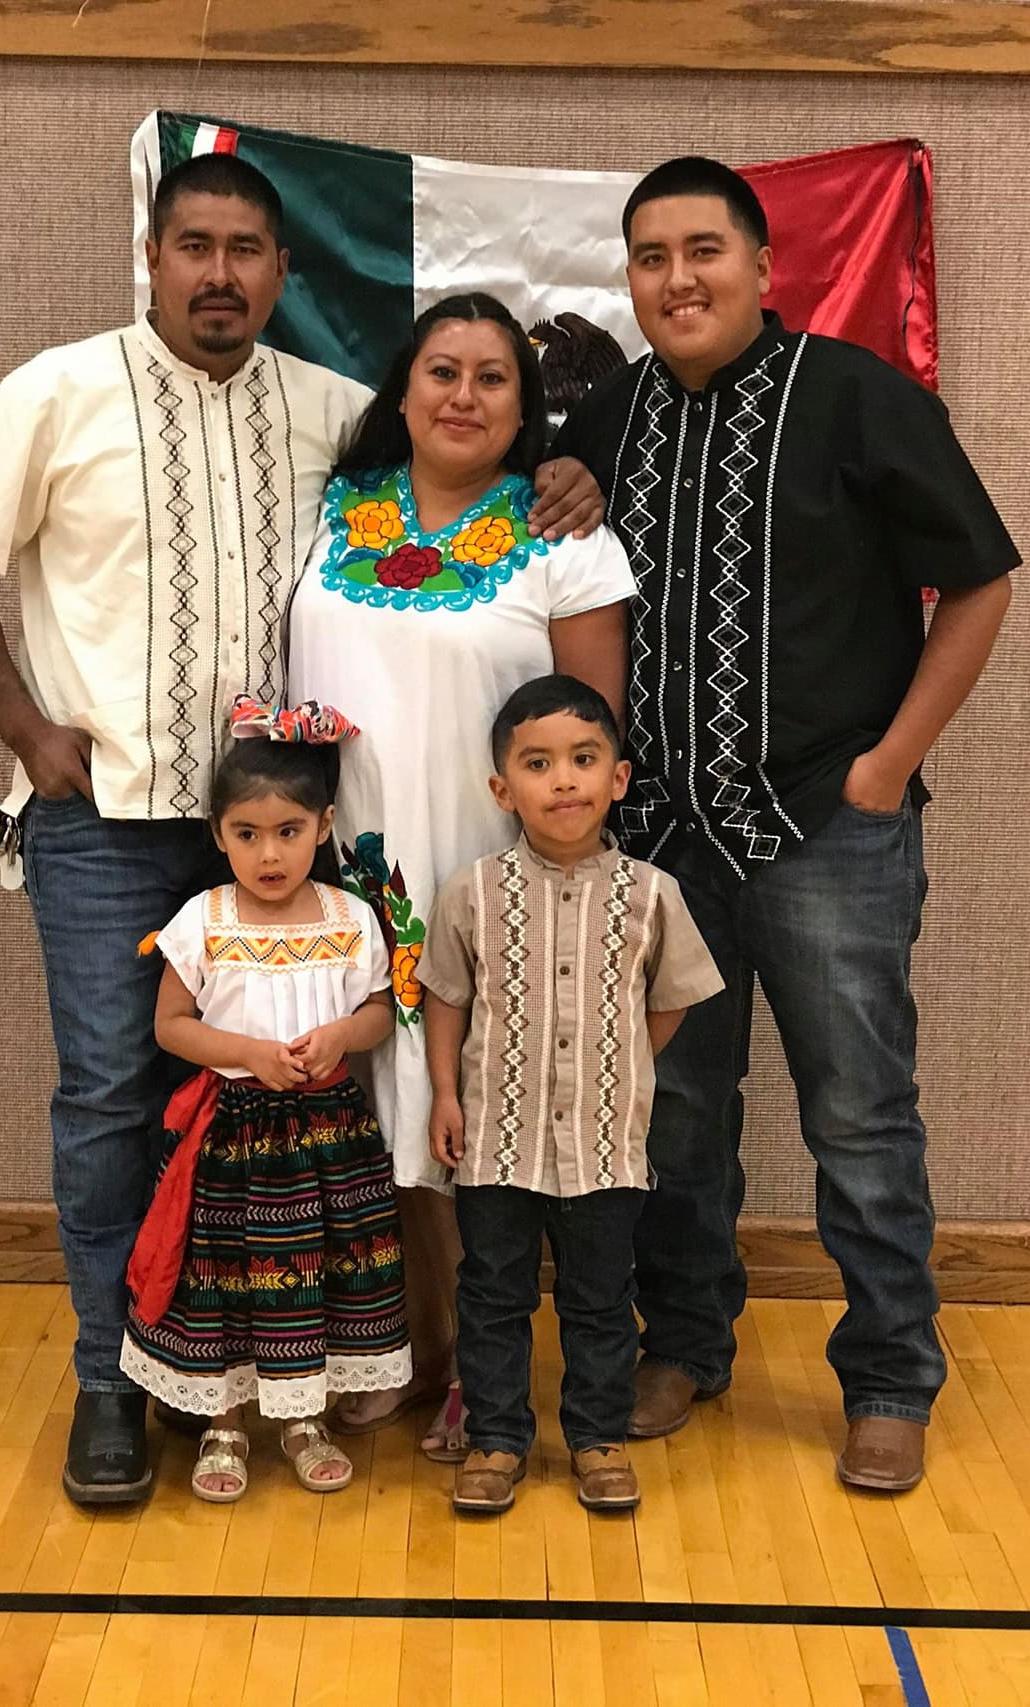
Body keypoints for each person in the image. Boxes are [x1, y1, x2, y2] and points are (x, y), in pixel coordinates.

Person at [0, 153, 602, 1505]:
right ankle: (115, 1384)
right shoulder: (53, 392)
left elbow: (460, 457)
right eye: (196, 245)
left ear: (284, 276)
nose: (221, 272)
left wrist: (562, 469)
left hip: (295, 833)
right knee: (119, 1095)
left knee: (314, 1093)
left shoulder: (335, 415)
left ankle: (289, 1357)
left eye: (247, 249)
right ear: (154, 257)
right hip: (111, 818)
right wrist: (24, 730)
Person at [552, 157, 1020, 1493]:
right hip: (663, 843)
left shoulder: (858, 394)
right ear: (630, 279)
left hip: (832, 828)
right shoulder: (608, 412)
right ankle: (685, 1343)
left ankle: (888, 1375)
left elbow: (979, 579)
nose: (678, 277)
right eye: (651, 255)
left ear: (764, 268)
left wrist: (888, 767)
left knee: (860, 1115)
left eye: (705, 249)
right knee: (679, 1113)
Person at [287, 294, 636, 1459]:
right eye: (442, 370)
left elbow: (590, 730)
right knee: (362, 1104)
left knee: (470, 1111)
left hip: (490, 871)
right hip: (341, 864)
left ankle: (475, 1369)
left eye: (494, 378)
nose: (463, 396)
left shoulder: (566, 536)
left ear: (525, 409)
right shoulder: (330, 512)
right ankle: (403, 1339)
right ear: (400, 389)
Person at [417, 676, 723, 1514]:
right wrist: (447, 1093)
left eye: (584, 760)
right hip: (493, 1143)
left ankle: (595, 1434)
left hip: (605, 1146)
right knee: (493, 1293)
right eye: (539, 763)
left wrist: (619, 1066)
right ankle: (496, 1436)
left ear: (617, 778)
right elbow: (445, 994)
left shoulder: (652, 894)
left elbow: (670, 1000)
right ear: (502, 787)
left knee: (599, 1297)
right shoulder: (469, 893)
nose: (564, 781)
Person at [121, 699, 407, 1502]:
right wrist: (247, 1053)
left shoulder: (350, 918)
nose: (268, 852)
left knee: (314, 1272)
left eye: (288, 830)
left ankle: (303, 1415)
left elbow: (383, 1011)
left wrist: (341, 1036)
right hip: (232, 1140)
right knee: (231, 1279)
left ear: (324, 825)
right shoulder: (203, 921)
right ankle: (226, 1423)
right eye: (246, 833)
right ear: (218, 835)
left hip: (329, 1136)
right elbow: (171, 1026)